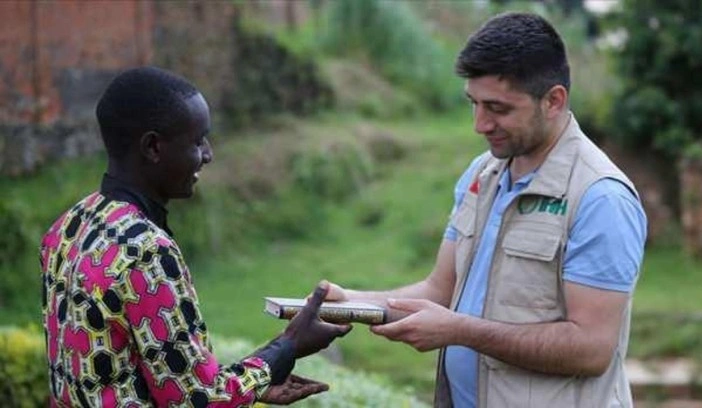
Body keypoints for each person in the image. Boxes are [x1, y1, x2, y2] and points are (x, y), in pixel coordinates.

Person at [325, 12, 647, 408]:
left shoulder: (600, 198)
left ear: (553, 100)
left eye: (497, 108)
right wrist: (350, 303)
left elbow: (592, 348)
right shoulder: (482, 175)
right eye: (474, 104)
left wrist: (461, 331)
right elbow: (439, 291)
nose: (480, 124)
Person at [40, 66, 351, 407]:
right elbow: (195, 401)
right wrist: (289, 346)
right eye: (197, 140)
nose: (208, 154)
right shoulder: (146, 252)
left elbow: (159, 375)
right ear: (154, 147)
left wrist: (257, 381)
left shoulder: (69, 226)